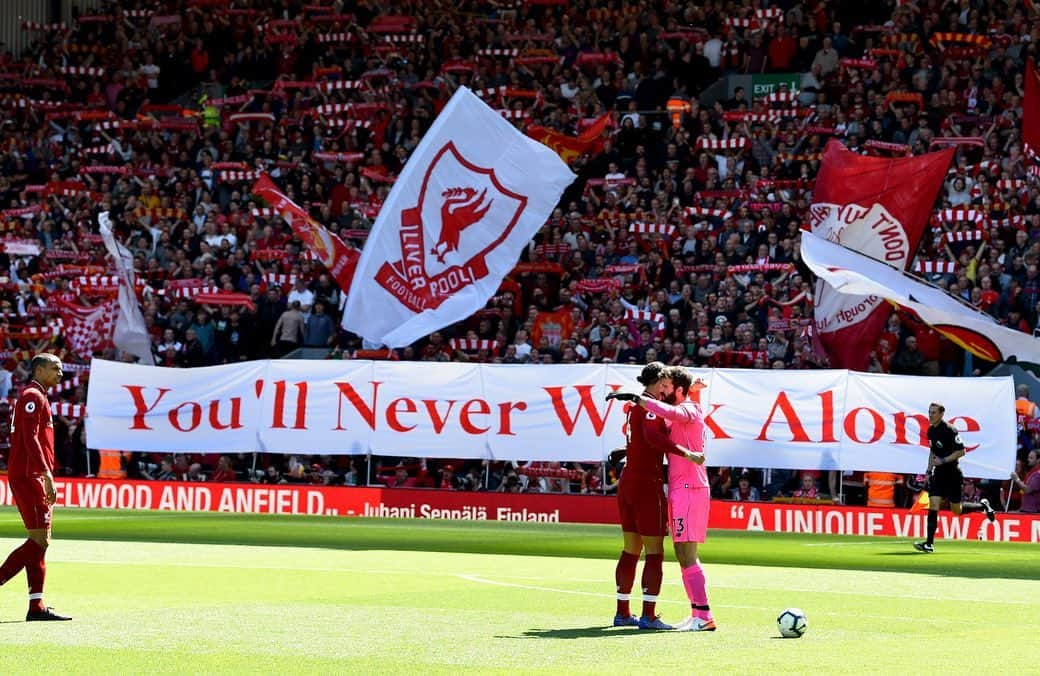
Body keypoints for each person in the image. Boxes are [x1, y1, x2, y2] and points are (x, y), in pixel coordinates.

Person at [604, 362, 699, 630]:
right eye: (667, 384)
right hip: (647, 485)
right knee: (655, 552)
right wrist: (686, 453)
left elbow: (640, 442)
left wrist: (625, 453)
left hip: (628, 481)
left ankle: (623, 612)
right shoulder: (648, 408)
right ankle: (648, 615)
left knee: (631, 549)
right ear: (659, 383)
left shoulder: (637, 406)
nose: (668, 388)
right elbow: (653, 437)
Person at [630, 366, 717, 632]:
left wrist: (642, 400)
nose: (664, 390)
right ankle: (698, 613)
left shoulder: (688, 409)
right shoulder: (689, 407)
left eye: (668, 387)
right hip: (684, 488)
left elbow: (672, 412)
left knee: (687, 554)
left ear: (679, 390)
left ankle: (704, 616)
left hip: (690, 488)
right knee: (683, 553)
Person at [0, 354, 72, 620]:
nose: (60, 374)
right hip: (30, 475)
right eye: (56, 369)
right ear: (40, 370)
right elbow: (30, 438)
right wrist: (45, 473)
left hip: (31, 474)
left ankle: (36, 606)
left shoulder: (36, 395)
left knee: (39, 543)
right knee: (40, 539)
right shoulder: (33, 396)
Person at [914, 402, 996, 553]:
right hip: (938, 474)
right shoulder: (931, 431)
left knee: (956, 510)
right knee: (933, 505)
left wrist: (944, 460)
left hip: (952, 474)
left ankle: (983, 506)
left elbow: (961, 451)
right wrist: (928, 471)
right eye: (929, 412)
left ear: (941, 414)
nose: (930, 415)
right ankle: (929, 544)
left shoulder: (950, 430)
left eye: (933, 412)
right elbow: (933, 452)